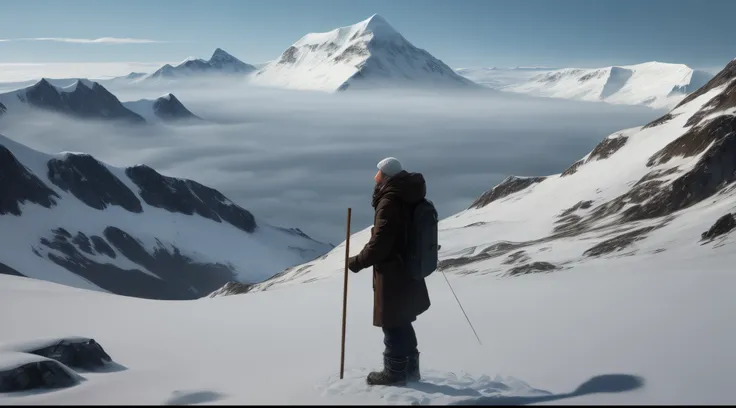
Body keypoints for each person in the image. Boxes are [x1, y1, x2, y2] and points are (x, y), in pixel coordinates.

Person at [348, 157, 431, 386]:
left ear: (385, 176)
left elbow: (381, 243)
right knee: (402, 318)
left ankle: (394, 373)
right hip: (408, 265)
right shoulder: (408, 194)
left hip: (393, 270)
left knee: (392, 320)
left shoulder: (390, 201)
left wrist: (356, 262)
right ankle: (410, 369)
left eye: (378, 173)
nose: (375, 177)